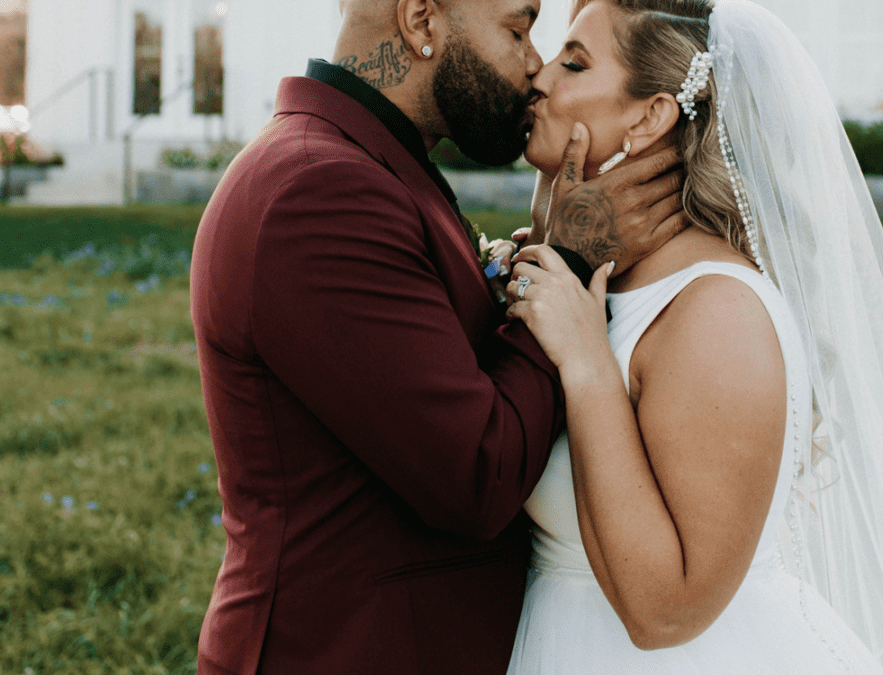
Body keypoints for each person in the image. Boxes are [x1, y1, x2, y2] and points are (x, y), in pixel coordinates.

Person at [189, 0, 686, 672]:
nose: (533, 63)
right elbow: (478, 473)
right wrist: (565, 265)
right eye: (516, 29)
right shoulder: (318, 189)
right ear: (422, 21)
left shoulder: (374, 165)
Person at [501, 0, 883, 673]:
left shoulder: (715, 309)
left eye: (574, 61)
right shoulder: (592, 278)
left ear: (650, 116)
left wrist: (587, 360)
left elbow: (667, 608)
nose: (538, 74)